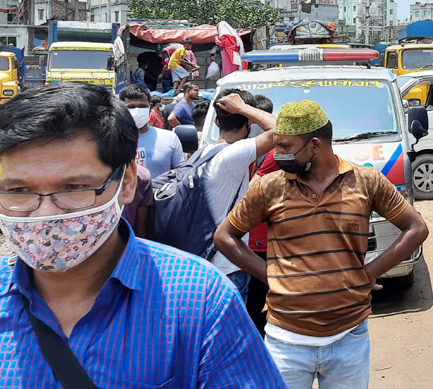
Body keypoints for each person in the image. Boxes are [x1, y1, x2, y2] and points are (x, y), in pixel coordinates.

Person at [0, 83, 285, 388]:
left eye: (75, 188)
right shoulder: (226, 156)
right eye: (19, 191)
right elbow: (282, 130)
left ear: (126, 183)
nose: (46, 214)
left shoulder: (200, 301)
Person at [214, 100, 430, 389]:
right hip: (285, 342)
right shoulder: (269, 187)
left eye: (285, 147)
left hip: (349, 338)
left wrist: (367, 273)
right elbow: (224, 237)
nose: (277, 154)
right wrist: (270, 275)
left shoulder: (366, 181)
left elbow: (416, 228)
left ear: (315, 145)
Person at [204, 90, 277, 301]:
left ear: (217, 121)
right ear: (248, 124)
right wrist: (245, 109)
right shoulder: (234, 154)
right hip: (229, 268)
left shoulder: (202, 155)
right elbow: (284, 130)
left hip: (209, 263)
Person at [118, 83, 185, 237]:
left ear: (150, 107)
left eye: (142, 106)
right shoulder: (111, 140)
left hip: (160, 211)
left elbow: (180, 176)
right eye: (131, 107)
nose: (136, 111)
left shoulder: (169, 138)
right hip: (122, 212)